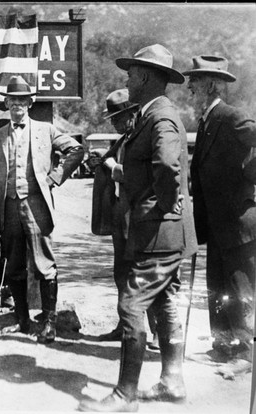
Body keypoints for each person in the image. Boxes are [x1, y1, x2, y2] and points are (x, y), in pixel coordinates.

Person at [78, 44, 198, 412]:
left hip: (158, 231)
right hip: (164, 232)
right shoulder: (153, 113)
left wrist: (164, 203)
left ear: (145, 77)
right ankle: (171, 382)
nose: (128, 80)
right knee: (164, 302)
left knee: (131, 304)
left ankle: (124, 395)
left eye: (131, 74)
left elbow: (166, 165)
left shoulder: (159, 117)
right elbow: (153, 167)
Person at [0, 75, 84, 344]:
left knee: (44, 265)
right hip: (8, 207)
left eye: (22, 100)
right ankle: (22, 320)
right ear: (6, 103)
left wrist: (54, 178)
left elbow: (76, 150)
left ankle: (49, 323)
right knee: (14, 264)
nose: (17, 105)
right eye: (12, 100)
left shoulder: (46, 130)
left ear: (30, 103)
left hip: (36, 205)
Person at [183, 55, 256, 376]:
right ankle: (225, 344)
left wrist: (249, 180)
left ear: (210, 86)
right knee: (218, 286)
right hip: (216, 223)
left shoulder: (230, 116)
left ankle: (247, 354)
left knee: (242, 288)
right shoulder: (206, 121)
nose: (189, 91)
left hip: (238, 222)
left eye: (194, 85)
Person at [91, 89, 159, 350]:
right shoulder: (122, 141)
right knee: (121, 273)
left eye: (118, 117)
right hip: (122, 215)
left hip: (141, 216)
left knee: (143, 274)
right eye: (112, 118)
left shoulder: (145, 139)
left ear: (132, 115)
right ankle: (126, 325)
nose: (114, 123)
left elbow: (137, 175)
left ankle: (155, 332)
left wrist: (111, 168)